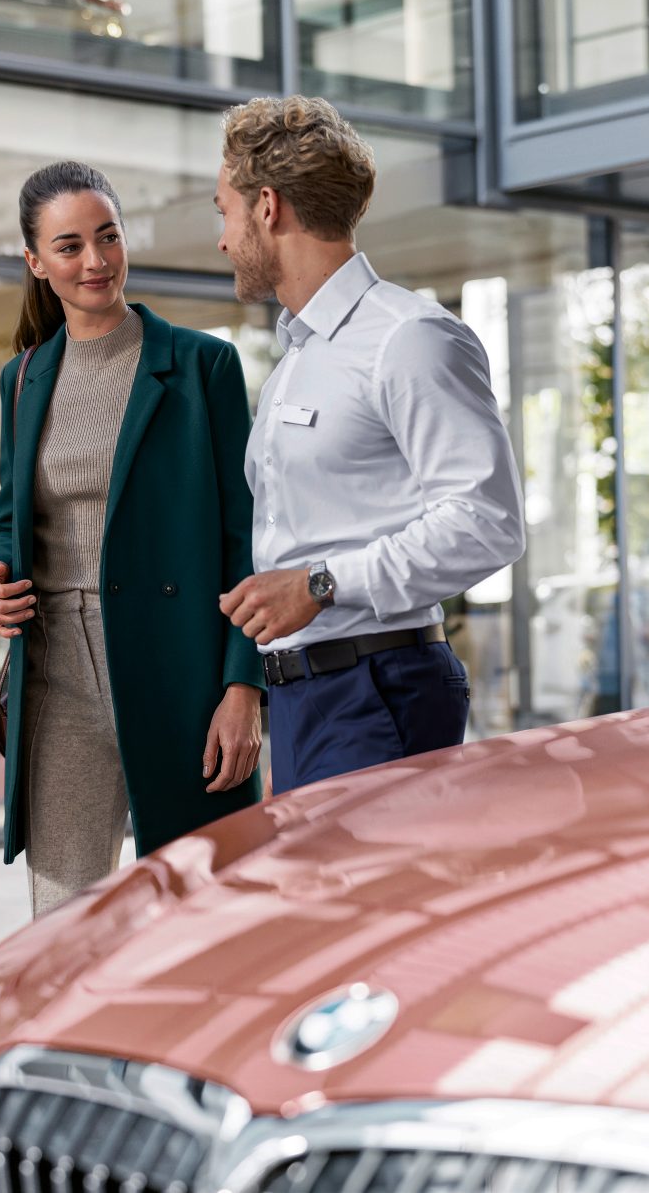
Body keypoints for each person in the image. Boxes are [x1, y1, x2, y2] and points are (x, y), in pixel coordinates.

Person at [0, 161, 264, 915]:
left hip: (177, 666)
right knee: (65, 913)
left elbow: (248, 539)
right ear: (36, 263)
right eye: (69, 246)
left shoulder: (203, 367)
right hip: (55, 673)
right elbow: (12, 520)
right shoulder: (23, 377)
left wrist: (243, 687)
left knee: (200, 904)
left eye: (108, 237)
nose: (96, 261)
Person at [214, 97, 525, 793]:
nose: (222, 239)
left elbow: (488, 522)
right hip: (306, 700)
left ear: (267, 207)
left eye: (222, 212)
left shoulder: (408, 337)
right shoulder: (298, 355)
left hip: (377, 689)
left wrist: (322, 584)